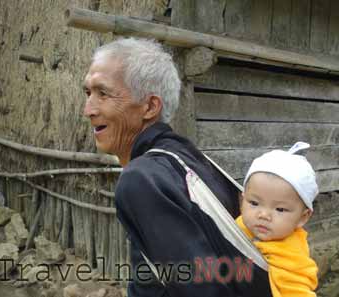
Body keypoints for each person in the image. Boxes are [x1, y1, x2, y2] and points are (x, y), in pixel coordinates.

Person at [83, 37, 271, 297]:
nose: (88, 109)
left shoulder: (140, 180)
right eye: (88, 93)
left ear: (149, 106)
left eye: (103, 93)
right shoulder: (188, 159)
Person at [236, 142, 319, 297]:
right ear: (242, 200)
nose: (263, 215)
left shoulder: (291, 257)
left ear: (303, 217)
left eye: (280, 209)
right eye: (254, 203)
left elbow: (297, 290)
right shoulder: (234, 224)